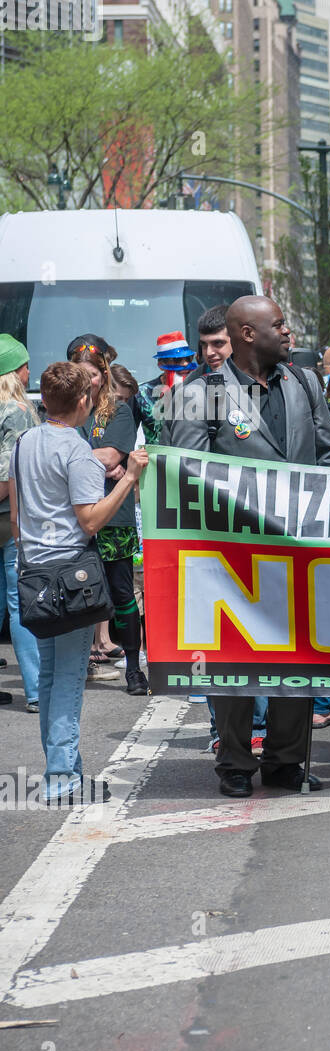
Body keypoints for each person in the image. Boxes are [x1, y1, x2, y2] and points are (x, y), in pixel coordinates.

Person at [167, 295, 330, 798]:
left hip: (301, 554)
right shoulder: (195, 393)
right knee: (234, 663)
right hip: (232, 559)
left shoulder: (305, 381)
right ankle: (236, 763)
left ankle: (287, 761)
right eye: (280, 325)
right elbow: (187, 477)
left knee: (299, 659)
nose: (288, 333)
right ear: (248, 333)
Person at [10, 361, 148, 802]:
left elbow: (17, 514)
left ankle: (62, 769)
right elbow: (90, 521)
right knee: (67, 679)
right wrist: (128, 478)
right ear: (84, 402)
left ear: (45, 400)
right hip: (71, 573)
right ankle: (62, 778)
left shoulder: (25, 441)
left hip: (33, 568)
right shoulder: (77, 451)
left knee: (52, 675)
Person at [69, 340, 147, 693]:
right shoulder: (64, 409)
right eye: (80, 375)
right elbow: (94, 459)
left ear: (103, 374)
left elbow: (113, 456)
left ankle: (133, 667)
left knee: (121, 593)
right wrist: (98, 461)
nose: (88, 382)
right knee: (75, 592)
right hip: (73, 516)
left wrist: (108, 462)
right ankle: (80, 663)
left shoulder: (118, 411)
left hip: (114, 514)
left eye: (93, 375)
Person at [0, 334, 40, 712]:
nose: (31, 372)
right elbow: (7, 475)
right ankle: (36, 690)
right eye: (26, 365)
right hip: (10, 520)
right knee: (18, 602)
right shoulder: (16, 411)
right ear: (15, 371)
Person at [196, 305, 232, 373]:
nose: (209, 353)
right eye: (204, 345)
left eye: (218, 343)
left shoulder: (256, 376)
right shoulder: (193, 381)